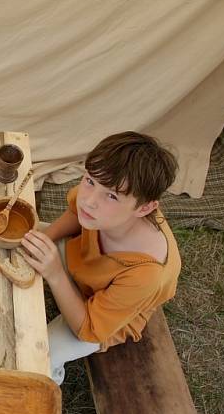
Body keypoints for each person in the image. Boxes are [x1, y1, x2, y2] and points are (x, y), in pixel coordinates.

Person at [20, 131, 181, 385]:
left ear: (145, 208)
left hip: (97, 318)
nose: (90, 200)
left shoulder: (145, 273)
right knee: (19, 238)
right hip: (79, 261)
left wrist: (55, 274)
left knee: (34, 357)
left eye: (113, 196)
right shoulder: (97, 197)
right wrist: (46, 240)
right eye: (89, 180)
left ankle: (50, 376)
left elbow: (88, 330)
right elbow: (76, 212)